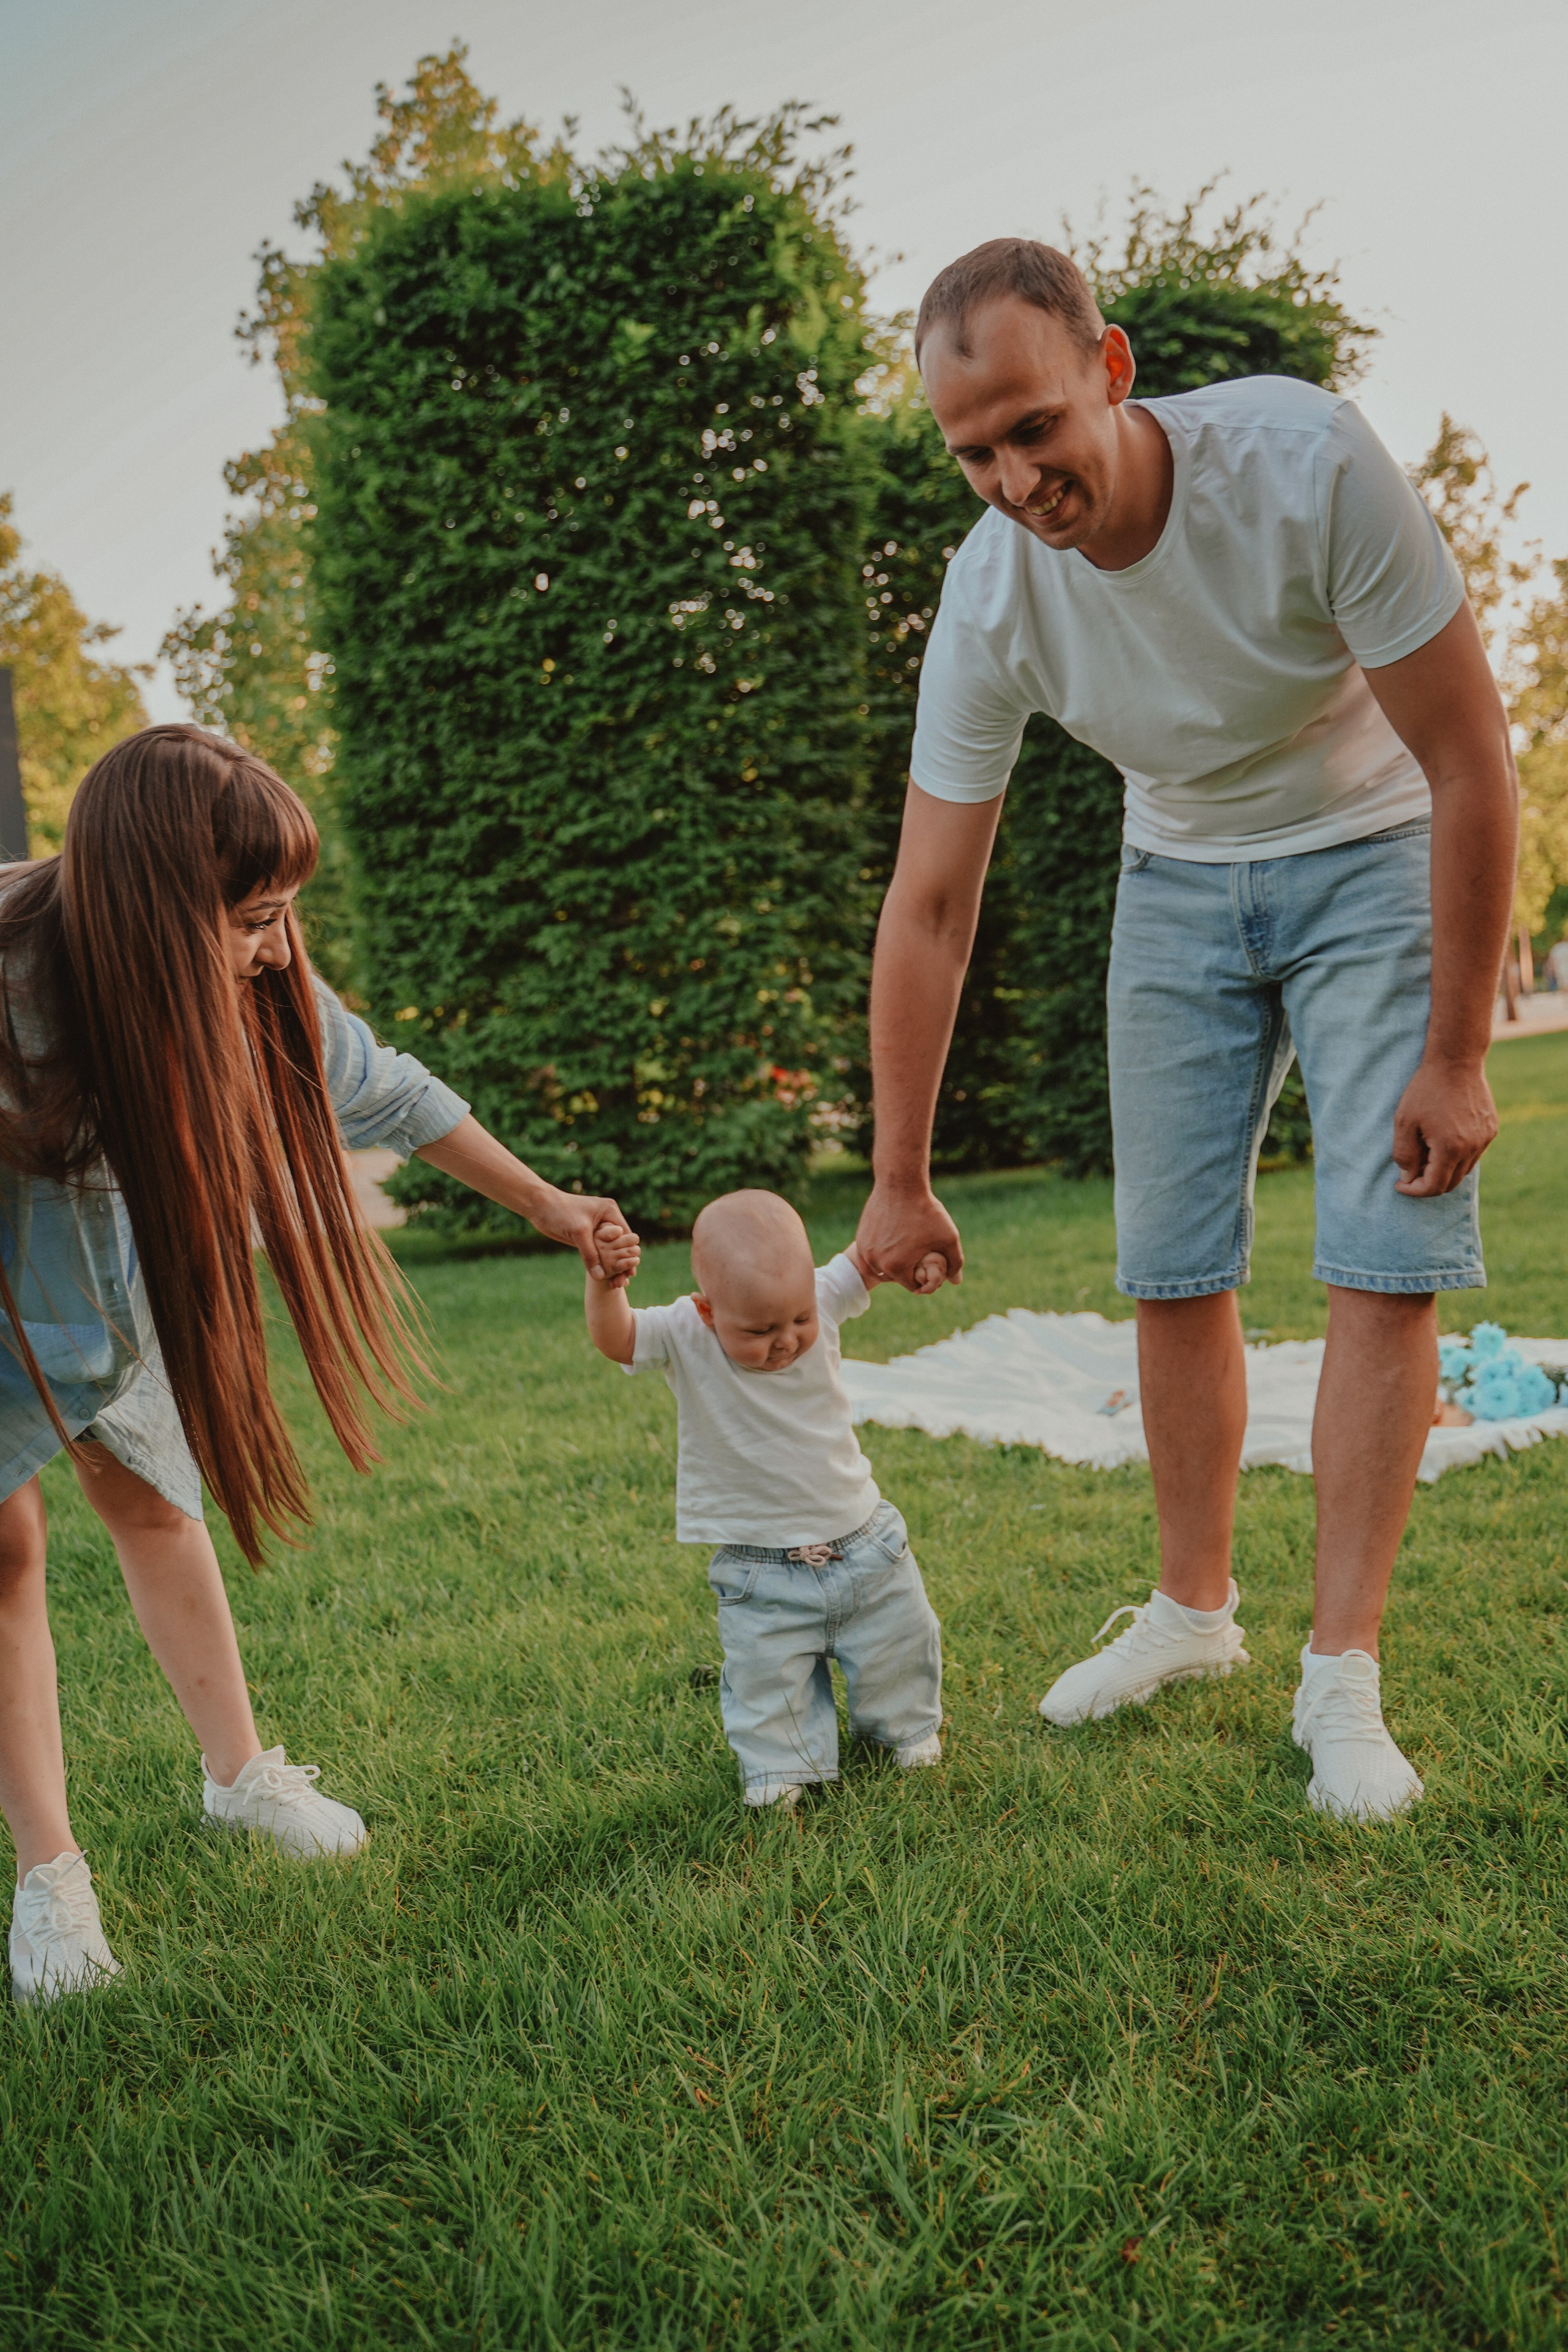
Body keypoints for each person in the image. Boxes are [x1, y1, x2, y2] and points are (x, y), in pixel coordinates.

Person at [853, 240, 1518, 1822]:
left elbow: (1469, 758)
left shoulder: (1303, 463)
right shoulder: (991, 596)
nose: (1014, 483)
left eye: (1033, 428)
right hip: (1174, 876)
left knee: (1381, 1248)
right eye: (971, 454)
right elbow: (929, 902)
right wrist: (897, 1174)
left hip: (1369, 841)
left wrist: (1456, 1054)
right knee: (1167, 1263)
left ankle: (1338, 1673)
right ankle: (1191, 1613)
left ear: (1112, 368)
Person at [4, 725, 636, 2003]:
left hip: (114, 1294)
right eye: (254, 920)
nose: (282, 951)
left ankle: (238, 1776)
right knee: (7, 1551)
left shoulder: (248, 990)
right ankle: (48, 1878)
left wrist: (549, 1205)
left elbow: (389, 1091)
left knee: (158, 1503)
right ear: (154, 915)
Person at [584, 1189, 945, 1807]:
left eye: (800, 1320)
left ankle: (903, 1730)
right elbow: (618, 1339)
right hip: (760, 1568)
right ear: (707, 1310)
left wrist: (917, 1263)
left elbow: (870, 1259)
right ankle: (782, 1766)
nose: (785, 1341)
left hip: (866, 1545)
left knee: (898, 1645)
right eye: (759, 1330)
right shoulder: (683, 1331)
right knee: (766, 1674)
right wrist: (606, 1283)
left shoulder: (819, 1294)